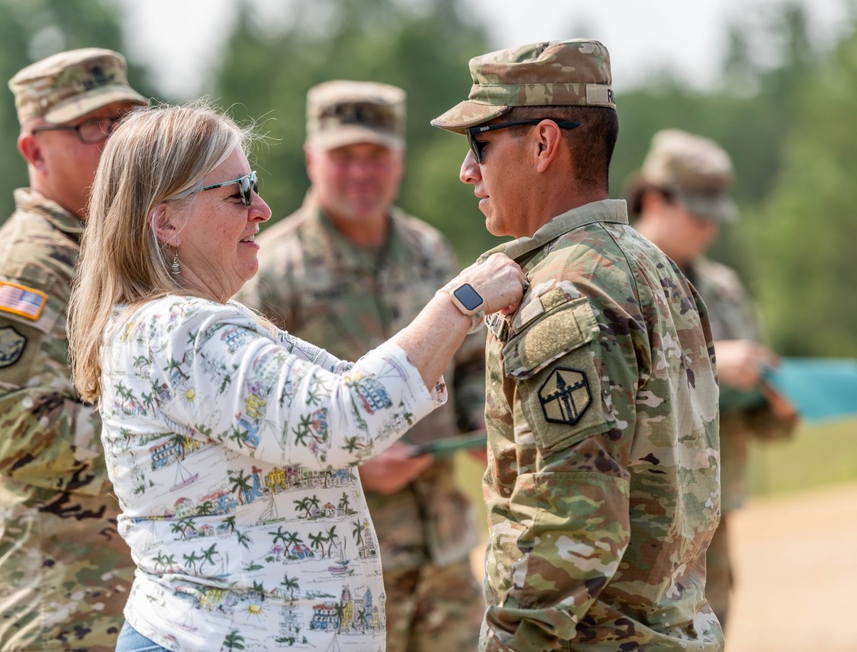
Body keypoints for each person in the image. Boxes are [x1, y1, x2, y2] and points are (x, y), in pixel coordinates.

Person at [66, 101, 526, 652]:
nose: (260, 208)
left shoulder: (184, 324)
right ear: (166, 220)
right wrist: (461, 302)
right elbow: (344, 417)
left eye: (253, 185)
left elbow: (347, 387)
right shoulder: (180, 330)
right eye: (237, 191)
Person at [430, 39, 724, 650]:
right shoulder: (655, 268)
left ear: (543, 143)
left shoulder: (563, 292)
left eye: (480, 145)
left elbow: (568, 519)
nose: (467, 171)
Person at [237, 80, 486, 652]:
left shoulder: (428, 251)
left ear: (399, 162)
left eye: (375, 157)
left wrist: (477, 419)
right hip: (335, 569)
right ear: (310, 160)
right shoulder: (268, 272)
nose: (360, 173)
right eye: (343, 157)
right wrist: (348, 462)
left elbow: (470, 362)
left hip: (442, 550)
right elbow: (252, 420)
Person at [0, 47, 147, 650]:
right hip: (59, 614)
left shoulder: (118, 253)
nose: (114, 142)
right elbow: (20, 435)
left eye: (123, 124)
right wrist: (176, 433)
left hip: (135, 606)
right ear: (34, 150)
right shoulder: (25, 274)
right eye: (91, 127)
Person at [627, 128, 799, 630]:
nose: (709, 229)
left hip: (710, 517)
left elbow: (758, 419)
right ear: (656, 199)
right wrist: (709, 360)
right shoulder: (613, 277)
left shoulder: (722, 289)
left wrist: (780, 407)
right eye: (699, 215)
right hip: (638, 518)